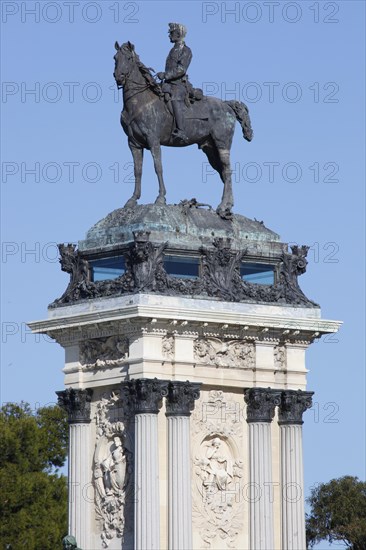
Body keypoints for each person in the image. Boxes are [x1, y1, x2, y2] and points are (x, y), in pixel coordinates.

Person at [157, 23, 192, 142]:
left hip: (178, 84)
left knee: (175, 99)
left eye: (171, 33)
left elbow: (181, 69)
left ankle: (181, 131)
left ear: (178, 34)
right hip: (168, 83)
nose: (169, 36)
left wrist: (166, 75)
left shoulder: (186, 50)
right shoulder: (173, 50)